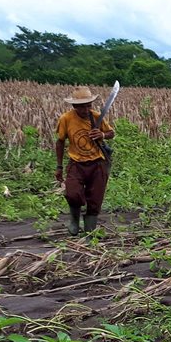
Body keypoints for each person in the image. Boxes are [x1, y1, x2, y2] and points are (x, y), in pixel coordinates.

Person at [54, 86, 114, 235]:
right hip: (76, 163)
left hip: (98, 163)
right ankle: (74, 221)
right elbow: (60, 142)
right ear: (74, 106)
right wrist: (59, 166)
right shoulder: (66, 119)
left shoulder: (96, 116)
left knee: (95, 199)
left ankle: (89, 233)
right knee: (72, 194)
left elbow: (111, 133)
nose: (86, 110)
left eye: (88, 106)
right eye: (82, 107)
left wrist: (102, 135)